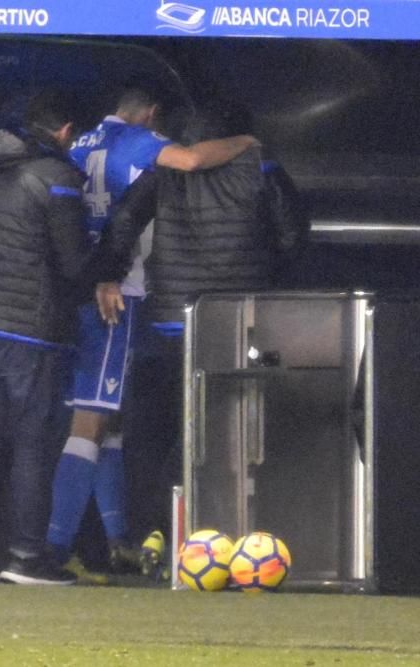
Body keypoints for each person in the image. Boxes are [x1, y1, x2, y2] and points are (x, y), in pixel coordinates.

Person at [47, 83, 259, 578]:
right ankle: (51, 550)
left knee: (111, 419)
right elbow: (187, 161)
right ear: (152, 115)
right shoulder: (140, 143)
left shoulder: (79, 143)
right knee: (92, 420)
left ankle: (118, 539)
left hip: (78, 286)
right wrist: (245, 143)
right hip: (116, 291)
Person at [95, 102, 307, 570]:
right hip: (233, 321)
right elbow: (293, 235)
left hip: (167, 320)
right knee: (228, 436)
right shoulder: (261, 166)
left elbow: (124, 221)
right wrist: (268, 278)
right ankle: (223, 535)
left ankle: (155, 528)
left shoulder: (165, 169)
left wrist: (108, 275)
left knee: (156, 431)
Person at [0, 90, 95, 586]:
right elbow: (74, 266)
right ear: (66, 132)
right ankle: (26, 557)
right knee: (33, 444)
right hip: (31, 330)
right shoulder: (58, 179)